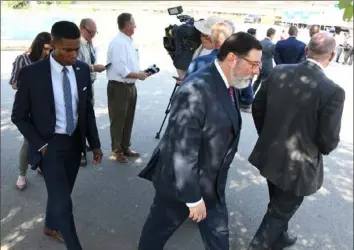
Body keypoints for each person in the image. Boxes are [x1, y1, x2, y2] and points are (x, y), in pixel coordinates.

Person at [138, 32, 262, 250]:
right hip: (181, 186)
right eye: (253, 64)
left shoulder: (229, 83)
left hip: (211, 185)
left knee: (219, 240)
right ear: (232, 59)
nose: (256, 71)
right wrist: (193, 199)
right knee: (156, 235)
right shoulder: (196, 89)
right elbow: (182, 149)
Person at [247, 32, 345, 250]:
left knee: (277, 204)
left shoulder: (279, 71)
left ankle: (279, 238)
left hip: (271, 155)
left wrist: (268, 135)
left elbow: (257, 107)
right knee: (279, 211)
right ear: (332, 55)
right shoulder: (332, 91)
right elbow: (328, 139)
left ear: (306, 50)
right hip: (297, 166)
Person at [11, 21, 103, 250]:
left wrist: (96, 144)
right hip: (49, 145)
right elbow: (18, 116)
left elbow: (87, 110)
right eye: (68, 50)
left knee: (63, 192)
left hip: (74, 143)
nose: (74, 55)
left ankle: (50, 226)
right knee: (63, 201)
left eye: (77, 49)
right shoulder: (32, 74)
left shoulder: (81, 70)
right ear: (53, 45)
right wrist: (40, 144)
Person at [9, 31, 52, 190]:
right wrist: (30, 86)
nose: (47, 52)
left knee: (43, 139)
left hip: (44, 107)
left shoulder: (50, 61)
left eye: (50, 49)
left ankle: (39, 164)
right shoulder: (23, 59)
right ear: (38, 45)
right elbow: (13, 83)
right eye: (45, 48)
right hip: (26, 107)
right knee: (29, 141)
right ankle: (22, 174)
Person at [106, 13, 150, 163]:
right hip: (119, 86)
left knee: (128, 118)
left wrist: (142, 73)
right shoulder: (118, 42)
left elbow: (131, 65)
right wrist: (138, 75)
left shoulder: (129, 41)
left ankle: (125, 146)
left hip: (131, 85)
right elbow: (121, 69)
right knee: (118, 120)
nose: (135, 26)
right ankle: (116, 150)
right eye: (133, 23)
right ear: (127, 25)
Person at [77, 18, 106, 167]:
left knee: (88, 115)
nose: (93, 35)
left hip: (89, 84)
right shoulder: (77, 44)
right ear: (82, 28)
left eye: (95, 32)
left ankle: (85, 143)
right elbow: (76, 65)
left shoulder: (89, 43)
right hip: (80, 86)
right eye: (90, 32)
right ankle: (80, 152)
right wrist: (93, 68)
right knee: (81, 117)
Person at [252, 28, 276, 93]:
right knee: (265, 84)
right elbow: (274, 55)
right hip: (268, 67)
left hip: (259, 66)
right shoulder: (272, 45)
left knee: (257, 81)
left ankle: (252, 93)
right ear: (272, 35)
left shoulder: (260, 42)